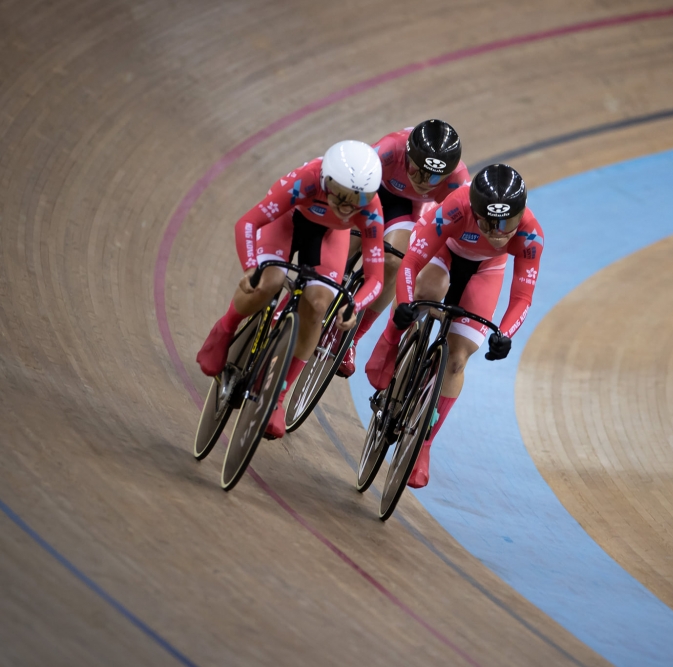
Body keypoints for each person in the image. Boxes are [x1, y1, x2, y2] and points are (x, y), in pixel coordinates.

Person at [364, 164, 543, 488]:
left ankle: (424, 445)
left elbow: (522, 296)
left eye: (508, 223)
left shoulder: (530, 233)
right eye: (490, 223)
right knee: (425, 293)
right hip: (442, 252)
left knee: (458, 360)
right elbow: (412, 262)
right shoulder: (455, 207)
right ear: (475, 211)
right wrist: (404, 305)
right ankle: (389, 345)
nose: (500, 232)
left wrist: (504, 334)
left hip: (486, 269)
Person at [196, 140, 385, 438]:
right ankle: (224, 329)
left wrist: (355, 304)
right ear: (326, 180)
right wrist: (251, 268)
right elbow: (248, 222)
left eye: (356, 201)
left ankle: (279, 395)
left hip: (328, 236)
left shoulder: (370, 208)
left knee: (319, 305)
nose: (346, 206)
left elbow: (376, 277)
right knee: (268, 282)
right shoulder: (306, 181)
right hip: (288, 221)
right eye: (340, 197)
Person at [337, 119, 469, 377]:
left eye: (434, 177)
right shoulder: (388, 150)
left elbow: (452, 231)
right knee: (343, 247)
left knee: (395, 261)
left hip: (408, 210)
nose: (424, 182)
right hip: (370, 192)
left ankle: (351, 339)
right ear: (407, 156)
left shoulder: (457, 181)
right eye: (418, 171)